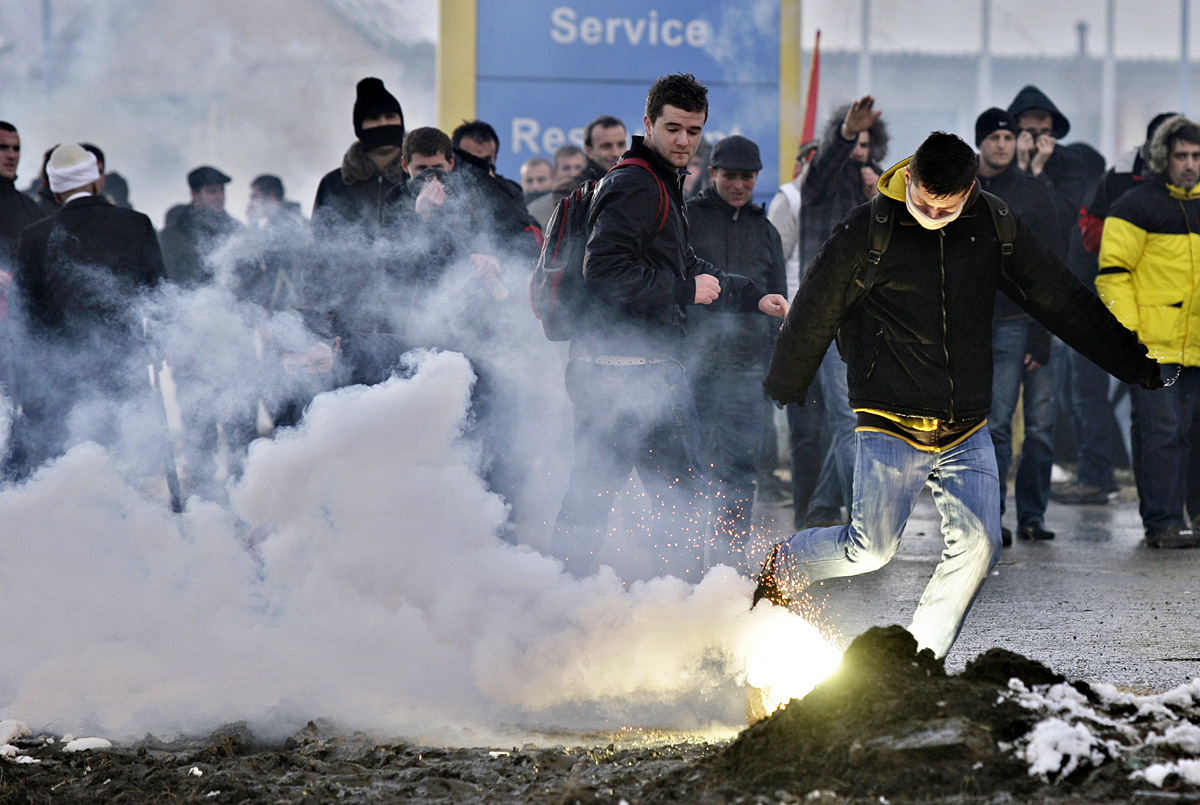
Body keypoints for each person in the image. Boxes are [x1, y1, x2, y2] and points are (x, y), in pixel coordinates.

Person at [755, 131, 1161, 659]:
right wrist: (787, 381)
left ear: (969, 190)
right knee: (870, 550)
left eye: (944, 207)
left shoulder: (995, 224)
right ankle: (782, 564)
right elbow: (816, 304)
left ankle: (919, 661)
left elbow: (1060, 298)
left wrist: (1133, 363)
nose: (931, 213)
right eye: (922, 201)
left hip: (966, 422)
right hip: (888, 415)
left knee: (980, 546)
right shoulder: (870, 226)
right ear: (911, 178)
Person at [549, 73, 789, 580]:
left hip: (617, 369)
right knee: (676, 502)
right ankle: (675, 614)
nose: (684, 140)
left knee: (598, 496)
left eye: (694, 130)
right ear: (649, 123)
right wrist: (684, 292)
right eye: (673, 128)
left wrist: (749, 295)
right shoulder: (637, 182)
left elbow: (682, 261)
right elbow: (606, 272)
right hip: (631, 372)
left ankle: (556, 596)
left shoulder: (655, 180)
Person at [13, 143, 166, 469]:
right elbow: (160, 298)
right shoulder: (136, 224)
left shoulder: (34, 237)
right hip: (123, 374)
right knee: (121, 467)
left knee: (68, 471)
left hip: (59, 381)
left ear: (54, 190)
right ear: (98, 180)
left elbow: (27, 318)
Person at [1058, 111, 1177, 506]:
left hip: (1165, 312)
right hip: (1102, 299)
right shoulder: (1119, 177)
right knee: (1090, 391)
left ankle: (1160, 498)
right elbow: (1088, 235)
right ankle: (1098, 475)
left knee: (1157, 409)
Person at [683, 135, 787, 566]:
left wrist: (775, 370)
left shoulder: (766, 231)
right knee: (687, 471)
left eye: (747, 177)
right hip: (691, 368)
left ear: (757, 178)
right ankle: (684, 562)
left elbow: (778, 301)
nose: (739, 184)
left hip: (747, 371)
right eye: (730, 176)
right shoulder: (688, 218)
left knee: (741, 473)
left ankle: (728, 563)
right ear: (713, 174)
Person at [1097, 114, 1200, 549]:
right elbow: (1112, 275)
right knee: (1162, 434)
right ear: (1163, 157)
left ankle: (1188, 517)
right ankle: (1161, 523)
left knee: (1191, 436)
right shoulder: (1134, 205)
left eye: (1196, 155)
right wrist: (1130, 336)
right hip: (1153, 348)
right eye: (1181, 155)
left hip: (1195, 347)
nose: (1190, 163)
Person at [974, 107, 1066, 545]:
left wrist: (1043, 331)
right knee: (989, 425)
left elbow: (1051, 265)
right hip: (973, 323)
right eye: (994, 137)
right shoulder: (963, 192)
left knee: (1029, 426)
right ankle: (991, 516)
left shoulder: (1033, 193)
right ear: (981, 143)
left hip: (1020, 321)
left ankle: (1028, 514)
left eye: (1008, 138)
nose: (1002, 144)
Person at [798, 96, 890, 529]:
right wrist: (844, 133)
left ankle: (819, 508)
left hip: (871, 320)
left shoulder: (883, 195)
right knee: (846, 416)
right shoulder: (822, 186)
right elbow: (823, 167)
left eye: (866, 143)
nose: (860, 151)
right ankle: (864, 518)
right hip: (829, 316)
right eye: (855, 142)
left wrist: (884, 204)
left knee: (861, 416)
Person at [766, 140, 825, 521]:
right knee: (805, 427)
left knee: (842, 425)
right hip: (798, 326)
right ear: (801, 163)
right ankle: (807, 511)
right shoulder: (788, 200)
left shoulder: (852, 195)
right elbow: (774, 261)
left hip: (842, 327)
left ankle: (830, 506)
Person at [312, 77, 406, 237]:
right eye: (374, 118)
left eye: (390, 116)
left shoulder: (417, 179)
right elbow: (319, 242)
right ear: (359, 128)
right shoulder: (334, 185)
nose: (383, 124)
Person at [159, 165, 241, 286]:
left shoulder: (235, 228)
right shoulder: (177, 227)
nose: (220, 197)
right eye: (212, 191)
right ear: (194, 194)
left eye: (222, 190)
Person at [528, 144, 587, 228]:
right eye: (566, 168)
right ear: (555, 173)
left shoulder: (599, 206)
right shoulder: (536, 212)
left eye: (578, 167)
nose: (573, 174)